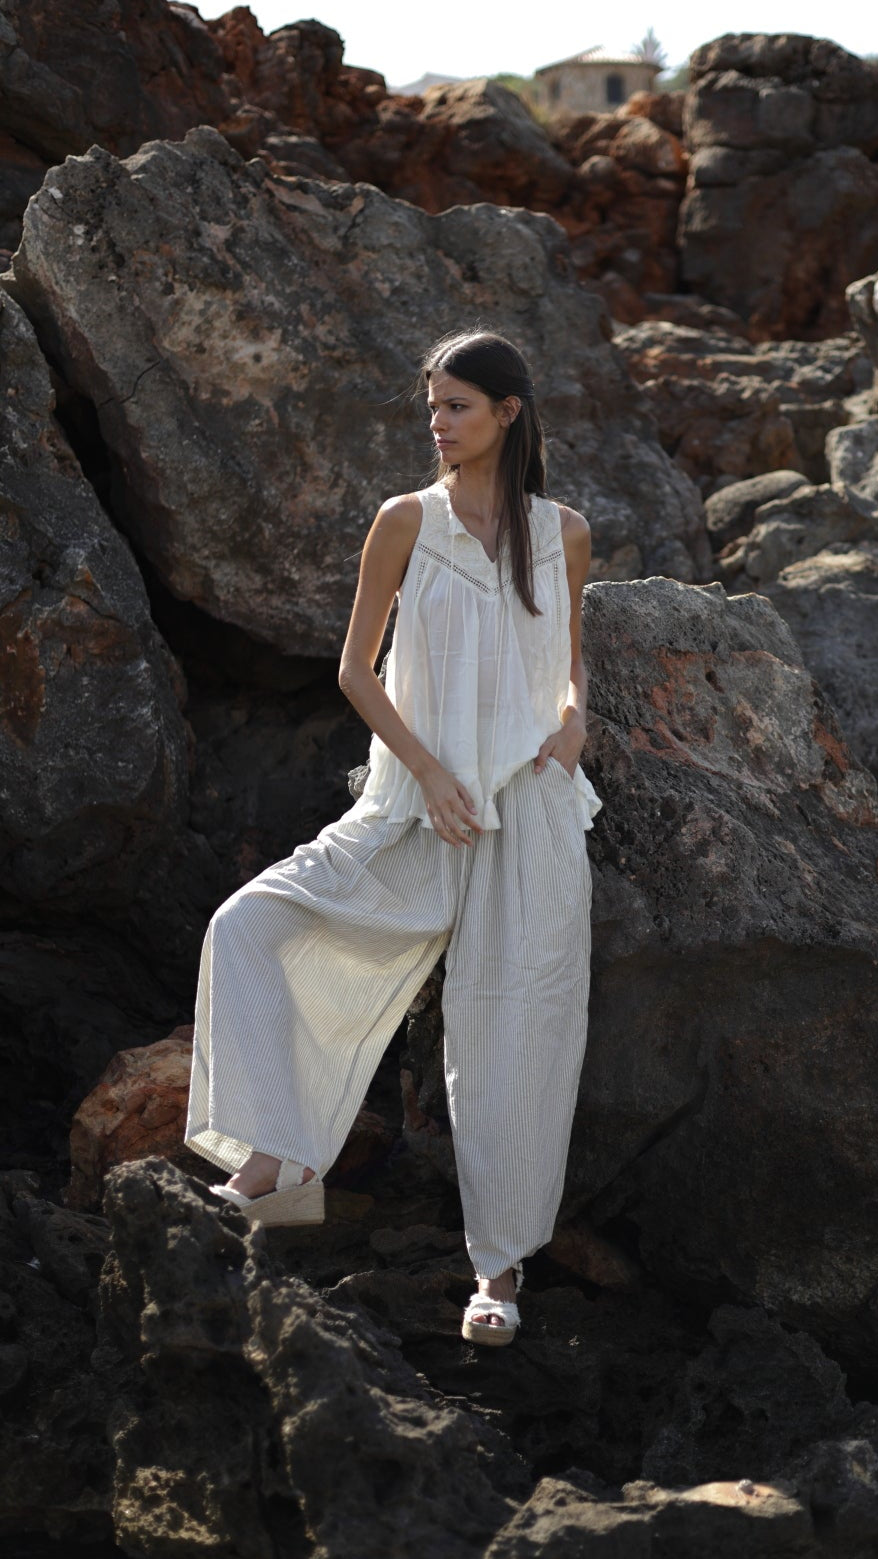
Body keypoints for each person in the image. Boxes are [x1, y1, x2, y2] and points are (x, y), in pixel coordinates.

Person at [184, 328, 602, 1346]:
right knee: (250, 926)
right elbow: (354, 668)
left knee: (514, 1036)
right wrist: (427, 770)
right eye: (433, 407)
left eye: (457, 405)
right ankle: (278, 1160)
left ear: (507, 411)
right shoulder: (406, 520)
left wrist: (573, 728)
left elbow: (570, 660)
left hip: (530, 812)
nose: (438, 423)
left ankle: (497, 1274)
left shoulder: (564, 532)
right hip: (416, 807)